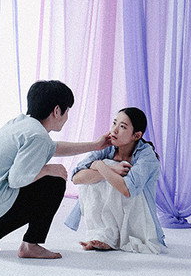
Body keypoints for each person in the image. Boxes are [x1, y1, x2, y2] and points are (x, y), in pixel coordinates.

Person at [0, 80, 111, 259]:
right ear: (57, 111)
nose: (67, 117)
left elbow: (52, 147)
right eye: (67, 111)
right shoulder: (38, 136)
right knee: (55, 182)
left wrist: (95, 145)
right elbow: (16, 180)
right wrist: (47, 170)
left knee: (49, 175)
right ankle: (30, 245)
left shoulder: (22, 123)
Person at [65, 107, 166, 253]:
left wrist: (100, 165)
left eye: (122, 127)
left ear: (136, 135)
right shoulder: (108, 148)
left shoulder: (146, 156)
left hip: (139, 218)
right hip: (118, 211)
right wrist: (109, 169)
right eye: (114, 123)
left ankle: (114, 237)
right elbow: (76, 178)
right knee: (99, 174)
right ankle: (105, 235)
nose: (114, 130)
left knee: (109, 171)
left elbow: (127, 190)